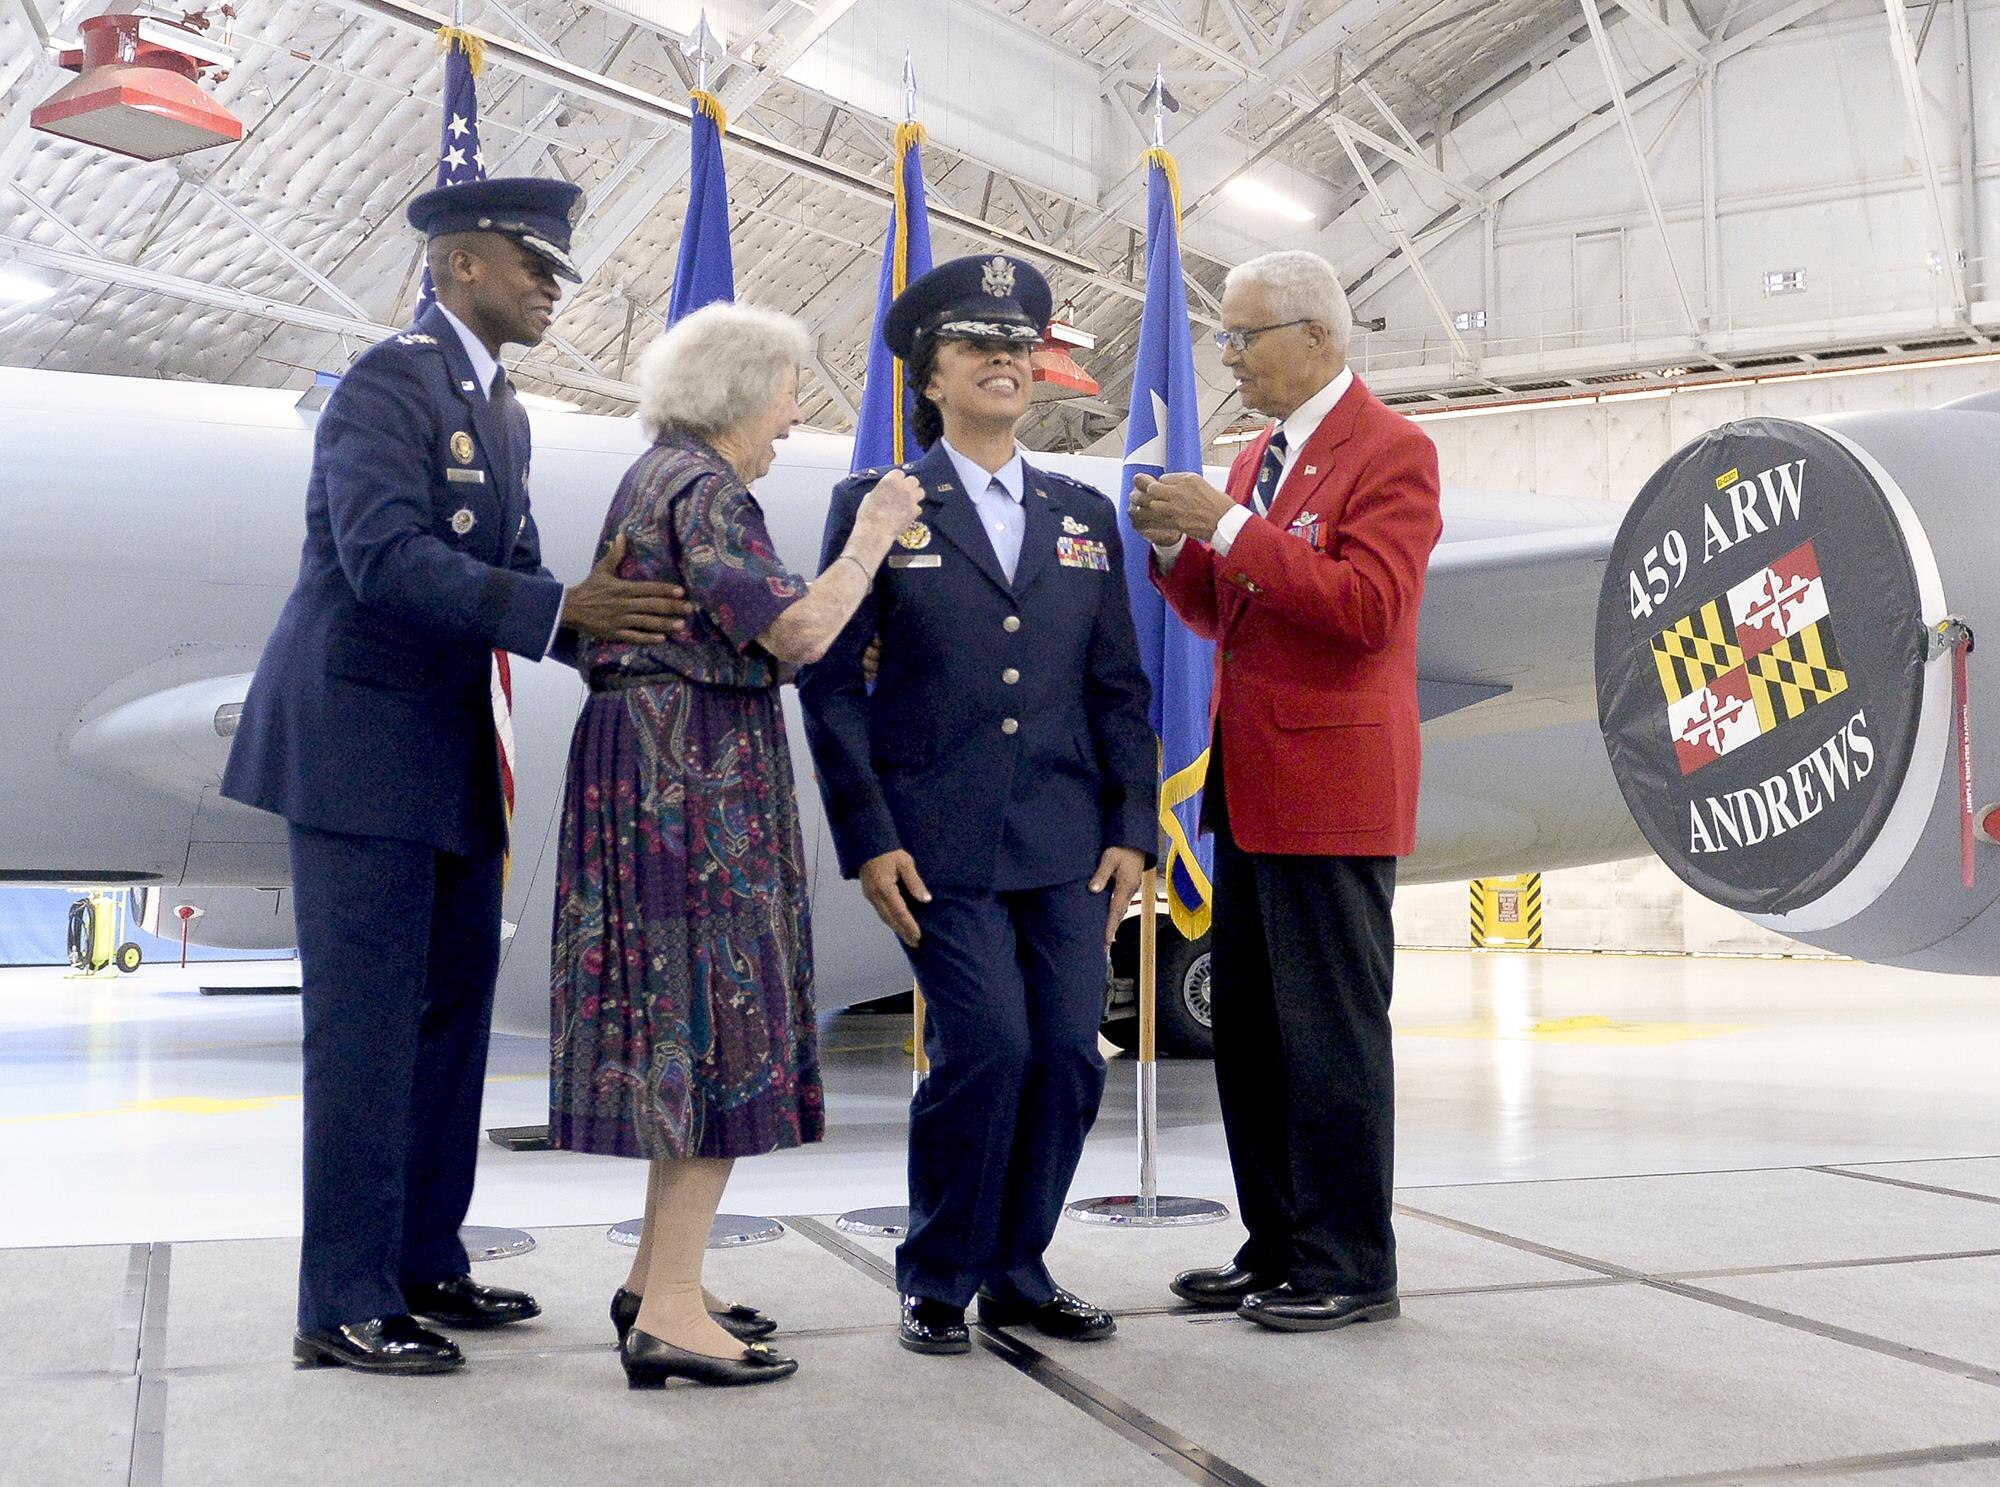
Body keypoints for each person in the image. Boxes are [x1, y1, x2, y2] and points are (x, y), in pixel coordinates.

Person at [223, 178, 701, 1375]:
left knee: (449, 1018)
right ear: (458, 267)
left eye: (557, 269)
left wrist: (634, 638)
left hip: (448, 751)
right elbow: (381, 557)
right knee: (366, 1031)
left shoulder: (505, 413)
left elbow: (528, 570)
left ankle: (424, 1256)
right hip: (357, 749)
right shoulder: (387, 384)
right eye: (531, 264)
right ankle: (338, 1296)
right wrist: (559, 609)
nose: (551, 286)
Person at [549, 301, 923, 1390]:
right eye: (786, 394)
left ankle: (658, 1276)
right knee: (711, 1024)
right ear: (736, 395)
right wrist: (871, 533)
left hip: (652, 763)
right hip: (691, 780)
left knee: (683, 1020)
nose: (792, 419)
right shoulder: (708, 490)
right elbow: (799, 633)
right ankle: (666, 1310)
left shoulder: (654, 479)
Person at [799, 255, 1156, 1356]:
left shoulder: (1079, 511)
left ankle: (1017, 1266)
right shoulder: (879, 505)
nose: (1004, 361)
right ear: (930, 375)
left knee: (1064, 1051)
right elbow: (831, 681)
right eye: (975, 346)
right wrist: (868, 835)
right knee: (984, 1047)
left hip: (1062, 840)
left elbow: (1116, 685)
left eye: (1017, 347)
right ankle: (939, 1267)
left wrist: (1133, 829)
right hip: (934, 842)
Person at [1129, 248, 1442, 1333]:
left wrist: (1225, 525)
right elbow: (1234, 615)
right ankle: (1276, 1246)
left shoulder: (1392, 452)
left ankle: (1352, 1262)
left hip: (1333, 785)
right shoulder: (1261, 454)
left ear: (1317, 336)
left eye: (1242, 337)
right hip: (1251, 783)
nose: (1227, 358)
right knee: (1255, 1036)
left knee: (1333, 1036)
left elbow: (1364, 607)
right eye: (1219, 336)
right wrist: (1179, 549)